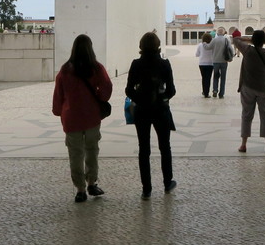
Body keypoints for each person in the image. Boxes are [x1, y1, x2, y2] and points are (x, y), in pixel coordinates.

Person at [51, 34, 113, 203]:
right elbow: (106, 89)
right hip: (92, 116)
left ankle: (80, 189)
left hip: (72, 118)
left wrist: (58, 111)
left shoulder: (64, 70)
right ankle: (92, 182)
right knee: (92, 150)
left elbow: (58, 95)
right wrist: (99, 97)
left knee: (75, 154)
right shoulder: (96, 68)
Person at [125, 32, 177, 199]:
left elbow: (129, 89)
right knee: (165, 146)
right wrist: (160, 98)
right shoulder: (164, 64)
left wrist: (140, 99)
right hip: (160, 110)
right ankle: (167, 182)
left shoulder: (136, 64)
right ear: (158, 45)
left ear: (141, 46)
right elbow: (171, 90)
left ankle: (146, 188)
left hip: (141, 110)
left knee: (144, 149)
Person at [233, 30, 265, 153]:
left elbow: (235, 39)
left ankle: (243, 144)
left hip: (248, 87)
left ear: (253, 39)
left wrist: (249, 40)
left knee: (246, 115)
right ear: (264, 41)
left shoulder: (248, 51)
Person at [211, 29, 234, 98]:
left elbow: (208, 47)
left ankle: (215, 90)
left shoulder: (214, 40)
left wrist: (204, 43)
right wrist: (231, 57)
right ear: (223, 33)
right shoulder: (226, 40)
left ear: (217, 33)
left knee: (215, 77)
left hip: (215, 61)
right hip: (224, 61)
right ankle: (221, 94)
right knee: (223, 78)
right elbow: (231, 49)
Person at [195, 33, 216, 98]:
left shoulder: (200, 45)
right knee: (208, 78)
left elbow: (197, 54)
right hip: (210, 63)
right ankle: (206, 93)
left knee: (204, 78)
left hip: (202, 63)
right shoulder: (212, 45)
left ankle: (204, 91)